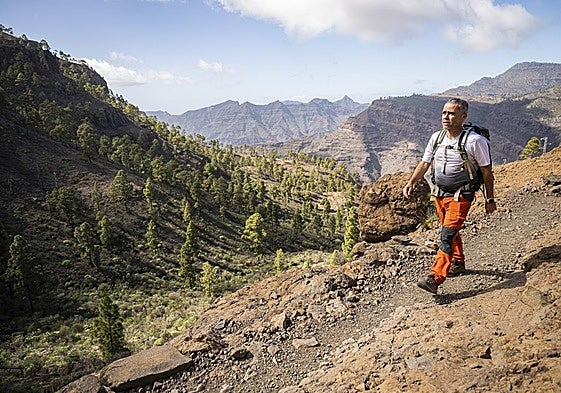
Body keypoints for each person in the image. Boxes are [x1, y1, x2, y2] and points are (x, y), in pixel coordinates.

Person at [403, 98, 496, 294]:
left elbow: (487, 172)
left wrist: (490, 199)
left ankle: (435, 277)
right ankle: (458, 262)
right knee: (450, 230)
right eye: (444, 113)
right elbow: (425, 163)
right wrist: (411, 182)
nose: (446, 117)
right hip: (440, 192)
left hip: (462, 193)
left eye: (452, 113)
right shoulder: (437, 137)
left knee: (446, 234)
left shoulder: (474, 141)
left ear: (463, 116)